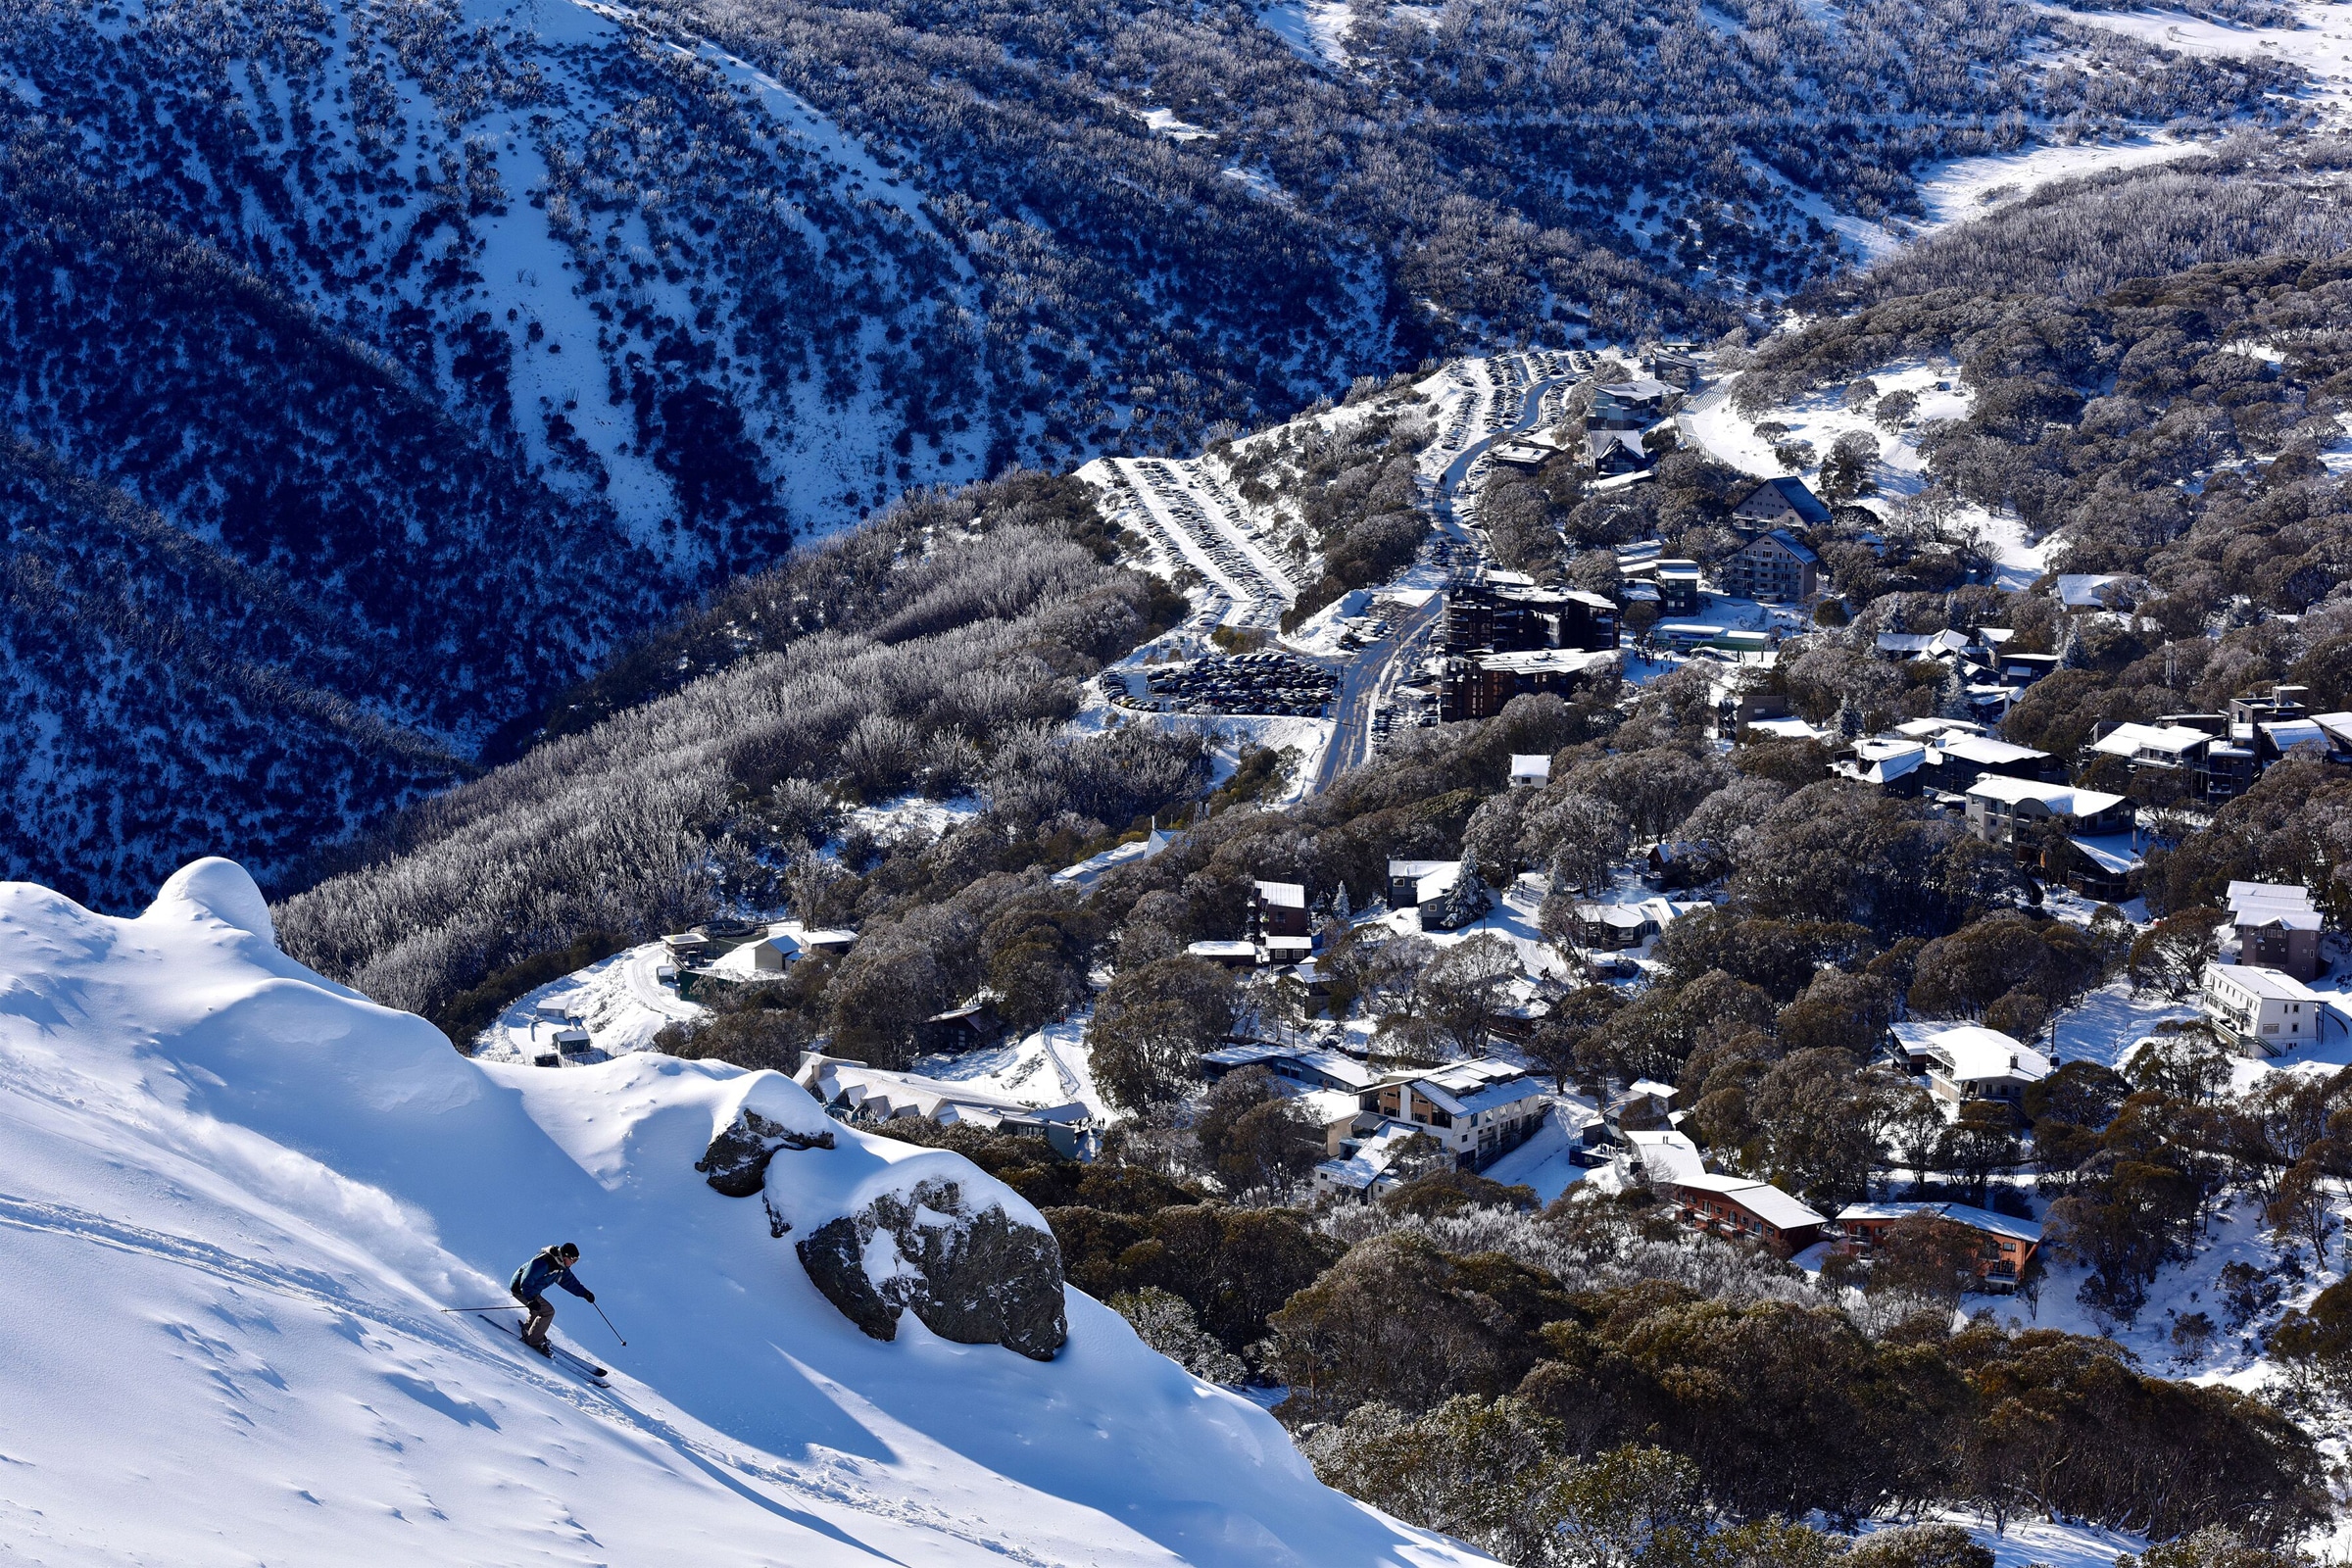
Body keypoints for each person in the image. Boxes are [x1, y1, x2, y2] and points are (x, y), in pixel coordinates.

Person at [510, 1242, 594, 1354]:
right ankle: (533, 1340)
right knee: (548, 1311)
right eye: (573, 1260)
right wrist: (530, 1299)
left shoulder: (560, 1267)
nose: (573, 1263)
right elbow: (526, 1280)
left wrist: (585, 1293)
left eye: (576, 1261)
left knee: (538, 1307)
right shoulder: (545, 1262)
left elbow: (570, 1282)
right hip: (522, 1289)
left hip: (531, 1291)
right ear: (565, 1256)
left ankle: (529, 1328)